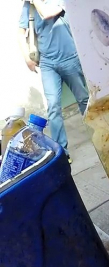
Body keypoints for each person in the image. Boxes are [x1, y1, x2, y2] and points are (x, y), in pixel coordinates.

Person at [17, 0, 88, 164]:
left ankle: (101, 135)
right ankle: (62, 152)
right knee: (53, 107)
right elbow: (20, 33)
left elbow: (47, 13)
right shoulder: (28, 8)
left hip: (70, 58)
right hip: (48, 63)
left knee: (84, 99)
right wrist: (27, 58)